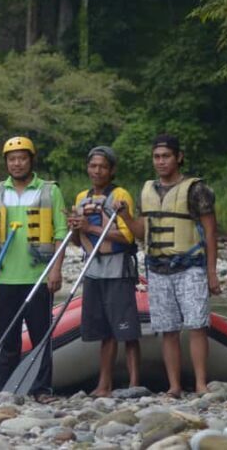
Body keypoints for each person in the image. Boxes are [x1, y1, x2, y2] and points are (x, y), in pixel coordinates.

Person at [116, 134, 220, 397]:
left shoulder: (197, 190)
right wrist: (125, 216)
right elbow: (142, 232)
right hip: (158, 268)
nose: (160, 162)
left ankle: (200, 383)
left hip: (190, 266)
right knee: (168, 329)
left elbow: (210, 232)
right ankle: (174, 386)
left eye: (166, 156)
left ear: (178, 157)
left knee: (197, 325)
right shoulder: (147, 190)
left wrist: (211, 271)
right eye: (156, 157)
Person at [0, 136, 67, 402]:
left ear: (31, 160)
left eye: (22, 158)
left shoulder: (50, 191)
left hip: (38, 276)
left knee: (41, 337)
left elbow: (61, 233)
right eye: (12, 159)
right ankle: (5, 388)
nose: (17, 164)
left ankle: (40, 389)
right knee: (8, 337)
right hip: (7, 277)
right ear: (6, 163)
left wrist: (56, 270)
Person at [68, 146, 141, 397]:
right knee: (104, 332)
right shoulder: (81, 197)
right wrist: (77, 229)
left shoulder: (120, 195)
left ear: (111, 170)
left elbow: (127, 236)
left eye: (102, 167)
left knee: (127, 330)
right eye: (93, 166)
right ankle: (104, 384)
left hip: (118, 269)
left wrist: (90, 227)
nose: (97, 171)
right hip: (94, 270)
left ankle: (134, 383)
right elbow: (79, 242)